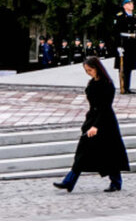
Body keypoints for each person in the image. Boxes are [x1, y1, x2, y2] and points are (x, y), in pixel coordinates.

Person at [53, 57, 129, 193]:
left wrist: (96, 126)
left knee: (109, 153)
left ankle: (116, 182)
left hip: (105, 122)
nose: (88, 72)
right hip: (92, 119)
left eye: (90, 70)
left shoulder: (107, 84)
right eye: (86, 70)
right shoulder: (92, 83)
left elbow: (105, 107)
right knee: (82, 152)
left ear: (97, 68)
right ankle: (69, 182)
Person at [113, 0, 136, 93]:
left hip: (132, 44)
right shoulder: (120, 16)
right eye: (129, 4)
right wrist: (119, 46)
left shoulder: (135, 16)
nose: (131, 5)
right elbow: (116, 33)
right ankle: (123, 87)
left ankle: (127, 87)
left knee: (130, 66)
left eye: (132, 3)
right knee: (123, 67)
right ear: (124, 6)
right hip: (124, 44)